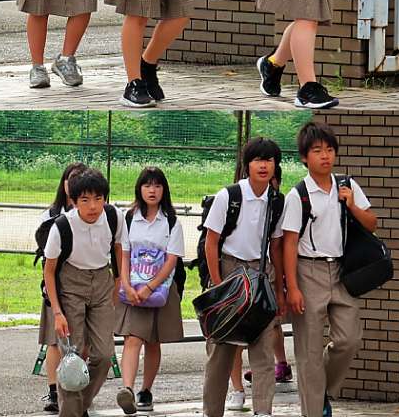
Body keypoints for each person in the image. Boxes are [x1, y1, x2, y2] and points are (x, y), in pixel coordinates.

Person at [282, 122, 377, 417]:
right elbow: (289, 243)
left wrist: (352, 206)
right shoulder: (298, 195)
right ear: (304, 157)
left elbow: (372, 223)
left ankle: (321, 389)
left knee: (349, 339)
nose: (325, 156)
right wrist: (292, 287)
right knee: (309, 351)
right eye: (317, 150)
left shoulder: (347, 185)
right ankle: (313, 410)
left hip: (341, 271)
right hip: (307, 271)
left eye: (329, 150)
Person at [202, 137, 286, 417]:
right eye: (257, 160)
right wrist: (218, 285)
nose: (263, 165)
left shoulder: (277, 201)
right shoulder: (229, 196)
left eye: (269, 160)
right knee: (221, 351)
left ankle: (263, 411)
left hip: (261, 274)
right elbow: (211, 242)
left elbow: (276, 247)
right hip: (229, 271)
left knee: (263, 351)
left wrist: (280, 290)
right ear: (247, 164)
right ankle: (211, 412)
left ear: (275, 165)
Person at [43, 168, 125, 417]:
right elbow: (49, 271)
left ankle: (79, 406)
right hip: (71, 283)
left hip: (102, 280)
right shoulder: (62, 226)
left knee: (104, 354)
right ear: (74, 201)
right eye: (85, 200)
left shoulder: (114, 217)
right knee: (73, 356)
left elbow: (118, 248)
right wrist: (58, 313)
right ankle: (72, 412)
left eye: (98, 198)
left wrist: (118, 282)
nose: (93, 206)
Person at [115, 167, 185, 416]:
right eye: (147, 185)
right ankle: (127, 389)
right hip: (133, 289)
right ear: (139, 189)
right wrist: (126, 284)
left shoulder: (172, 222)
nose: (152, 190)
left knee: (153, 341)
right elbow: (124, 254)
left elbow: (172, 260)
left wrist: (150, 287)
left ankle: (146, 390)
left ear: (164, 189)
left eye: (157, 185)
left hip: (159, 290)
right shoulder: (129, 218)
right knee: (132, 338)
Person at [37, 162, 87, 413]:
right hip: (56, 285)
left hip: (84, 286)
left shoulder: (95, 214)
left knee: (81, 341)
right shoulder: (51, 215)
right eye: (70, 178)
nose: (74, 182)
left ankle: (76, 390)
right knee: (54, 341)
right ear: (64, 183)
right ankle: (54, 392)